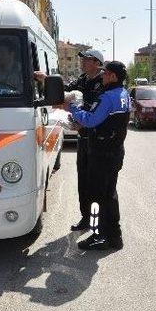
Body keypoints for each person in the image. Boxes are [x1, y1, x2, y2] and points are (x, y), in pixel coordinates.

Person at [37, 49, 105, 232]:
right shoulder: (83, 79)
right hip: (83, 138)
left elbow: (103, 114)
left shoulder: (104, 82)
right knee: (83, 180)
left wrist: (86, 123)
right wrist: (46, 79)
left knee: (96, 183)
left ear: (97, 62)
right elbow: (64, 90)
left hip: (98, 139)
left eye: (86, 59)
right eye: (81, 59)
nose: (82, 62)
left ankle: (99, 223)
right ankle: (86, 218)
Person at [66, 60, 130, 251]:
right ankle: (114, 237)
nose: (102, 76)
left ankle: (98, 235)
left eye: (105, 73)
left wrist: (71, 108)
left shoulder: (108, 97)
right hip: (114, 152)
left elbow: (91, 119)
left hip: (102, 154)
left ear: (113, 76)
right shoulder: (123, 94)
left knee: (96, 197)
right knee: (109, 195)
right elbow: (106, 121)